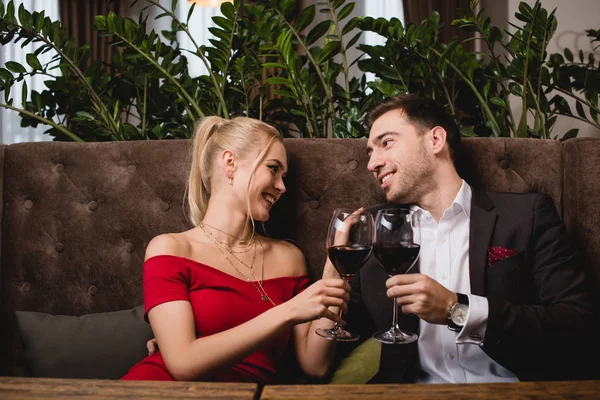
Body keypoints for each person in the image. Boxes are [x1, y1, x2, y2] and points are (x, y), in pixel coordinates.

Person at [342, 94, 597, 383]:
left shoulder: (528, 215)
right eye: (369, 152)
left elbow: (579, 324)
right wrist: (335, 263)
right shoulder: (374, 231)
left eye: (386, 143)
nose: (372, 163)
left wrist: (458, 310)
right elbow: (337, 339)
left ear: (435, 140)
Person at [121, 116, 350, 383]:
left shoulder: (289, 258)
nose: (282, 187)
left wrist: (336, 261)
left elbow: (316, 364)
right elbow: (183, 363)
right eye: (273, 169)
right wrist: (289, 311)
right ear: (230, 163)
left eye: (284, 176)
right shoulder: (171, 248)